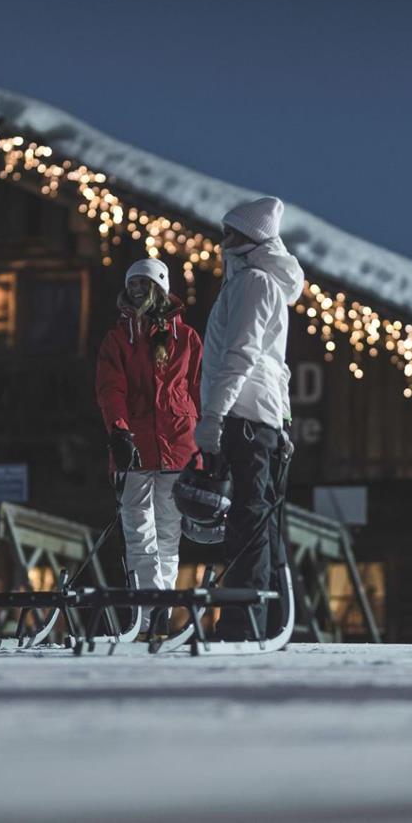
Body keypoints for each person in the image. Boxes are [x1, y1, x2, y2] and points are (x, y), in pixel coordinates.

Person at [196, 196, 303, 640]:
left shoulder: (254, 283)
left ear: (247, 238)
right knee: (256, 517)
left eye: (229, 232)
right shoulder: (253, 280)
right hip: (258, 416)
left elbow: (240, 355)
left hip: (244, 415)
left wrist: (213, 415)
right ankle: (270, 618)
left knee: (247, 518)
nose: (221, 241)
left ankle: (244, 621)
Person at [95, 257, 203, 634]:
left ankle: (159, 608)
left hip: (178, 444)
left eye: (144, 284)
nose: (137, 290)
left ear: (159, 288)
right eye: (133, 284)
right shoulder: (117, 339)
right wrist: (119, 431)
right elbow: (112, 389)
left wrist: (204, 446)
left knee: (168, 532)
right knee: (139, 531)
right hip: (134, 448)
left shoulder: (185, 338)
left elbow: (197, 391)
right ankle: (150, 608)